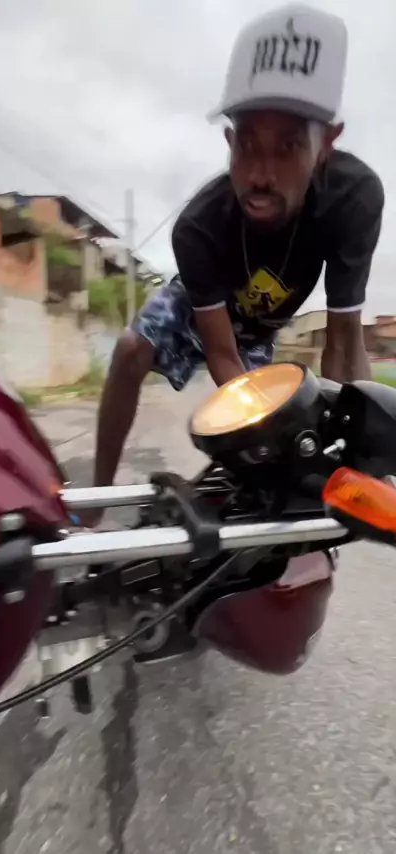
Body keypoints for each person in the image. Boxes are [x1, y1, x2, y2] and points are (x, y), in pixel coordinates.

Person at [84, 3, 385, 527]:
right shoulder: (198, 226)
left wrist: (355, 460)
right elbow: (221, 351)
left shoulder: (353, 199)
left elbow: (342, 341)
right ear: (228, 142)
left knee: (275, 461)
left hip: (261, 332)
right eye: (247, 147)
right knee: (132, 349)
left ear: (326, 146)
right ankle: (95, 501)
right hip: (203, 309)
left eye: (287, 148)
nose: (261, 175)